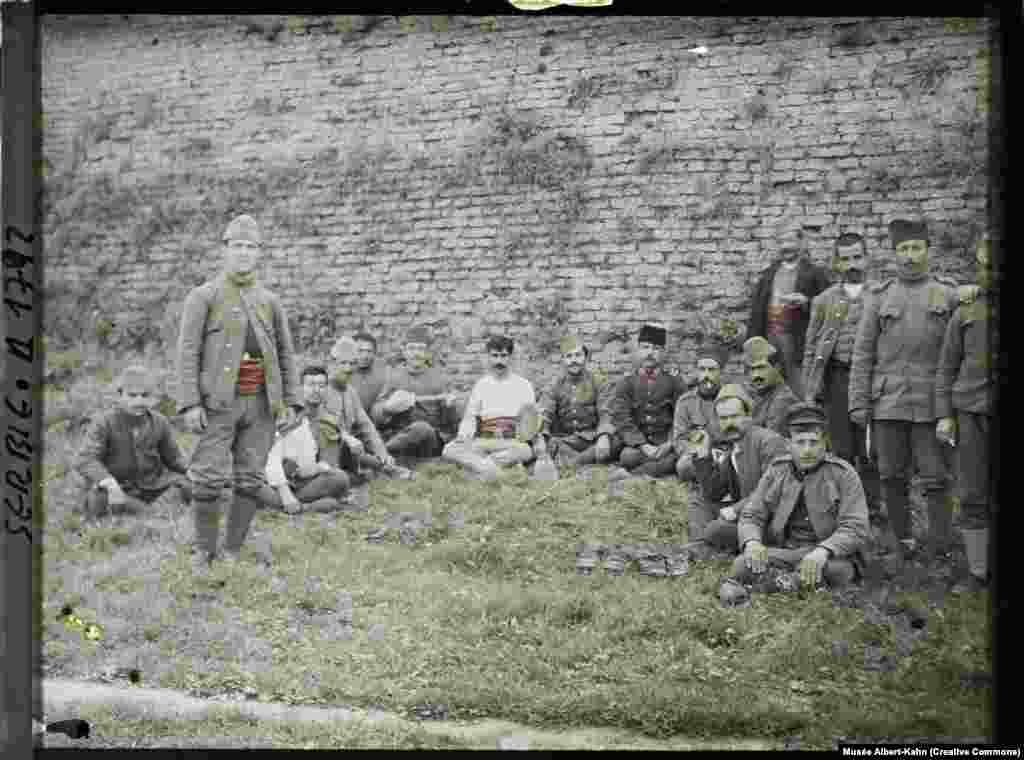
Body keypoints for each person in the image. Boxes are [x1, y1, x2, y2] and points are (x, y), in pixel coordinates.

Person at [176, 214, 302, 569]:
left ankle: (231, 549)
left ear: (258, 253)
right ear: (225, 250)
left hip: (261, 404)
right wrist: (190, 403)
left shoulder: (270, 301)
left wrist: (291, 401)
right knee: (207, 477)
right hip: (217, 404)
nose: (243, 253)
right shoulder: (203, 296)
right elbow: (187, 353)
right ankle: (204, 550)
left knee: (250, 478)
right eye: (237, 246)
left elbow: (285, 354)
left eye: (250, 247)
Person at [849, 218, 959, 560]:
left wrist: (951, 407)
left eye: (916, 248)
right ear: (894, 253)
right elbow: (863, 353)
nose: (910, 256)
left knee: (935, 477)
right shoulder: (879, 296)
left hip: (932, 404)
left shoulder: (948, 293)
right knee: (891, 475)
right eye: (903, 249)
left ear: (928, 251)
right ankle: (903, 542)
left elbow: (960, 353)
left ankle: (940, 546)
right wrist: (858, 403)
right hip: (888, 403)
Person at [719, 403, 871, 606]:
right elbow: (752, 514)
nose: (807, 450)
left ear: (824, 443)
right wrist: (752, 543)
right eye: (800, 442)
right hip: (785, 551)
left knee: (840, 572)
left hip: (827, 554)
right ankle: (794, 583)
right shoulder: (777, 470)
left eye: (813, 442)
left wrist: (823, 551)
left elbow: (855, 527)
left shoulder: (844, 474)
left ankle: (773, 584)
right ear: (789, 444)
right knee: (741, 564)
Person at [802, 232, 882, 525]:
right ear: (836, 262)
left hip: (872, 381)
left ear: (867, 258)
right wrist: (810, 389)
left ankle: (873, 508)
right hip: (836, 379)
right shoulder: (824, 300)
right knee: (841, 447)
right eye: (845, 259)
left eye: (857, 257)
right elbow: (811, 346)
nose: (852, 264)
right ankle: (845, 508)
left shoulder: (880, 295)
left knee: (870, 447)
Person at [935, 234, 997, 592]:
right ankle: (978, 571)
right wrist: (945, 414)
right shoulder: (966, 312)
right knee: (973, 493)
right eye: (984, 265)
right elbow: (946, 367)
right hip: (971, 413)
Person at [74, 365, 190, 518]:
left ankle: (148, 510)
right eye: (132, 395)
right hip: (117, 488)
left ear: (153, 397)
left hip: (151, 486)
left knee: (189, 483)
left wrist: (192, 471)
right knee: (99, 497)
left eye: (145, 395)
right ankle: (152, 512)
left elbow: (174, 459)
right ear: (120, 395)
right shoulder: (104, 422)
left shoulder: (160, 422)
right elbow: (85, 459)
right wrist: (108, 481)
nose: (139, 401)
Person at [688, 383, 789, 554]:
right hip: (746, 512)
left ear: (749, 415)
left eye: (734, 416)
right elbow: (714, 493)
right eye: (723, 418)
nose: (729, 423)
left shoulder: (768, 442)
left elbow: (773, 491)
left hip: (766, 521)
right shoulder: (734, 446)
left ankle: (707, 545)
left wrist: (735, 510)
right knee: (698, 501)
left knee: (716, 529)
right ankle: (701, 546)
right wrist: (703, 455)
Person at [746, 219, 832, 399]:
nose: (785, 246)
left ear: (801, 242)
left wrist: (806, 302)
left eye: (790, 241)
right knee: (771, 393)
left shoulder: (815, 273)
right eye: (781, 242)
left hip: (799, 344)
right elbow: (756, 313)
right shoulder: (769, 274)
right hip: (770, 342)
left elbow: (831, 308)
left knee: (801, 394)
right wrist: (752, 344)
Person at [442, 334, 538, 481]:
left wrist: (524, 434)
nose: (499, 361)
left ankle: (480, 468)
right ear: (488, 357)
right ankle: (491, 469)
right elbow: (470, 418)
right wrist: (463, 436)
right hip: (484, 440)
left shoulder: (524, 385)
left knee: (525, 451)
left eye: (503, 356)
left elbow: (530, 421)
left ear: (511, 357)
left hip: (511, 442)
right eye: (495, 356)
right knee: (449, 450)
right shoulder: (482, 385)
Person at [321, 336, 412, 491]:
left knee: (360, 455)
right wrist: (345, 436)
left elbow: (366, 426)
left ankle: (384, 468)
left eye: (352, 363)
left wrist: (382, 453)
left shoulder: (350, 392)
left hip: (345, 450)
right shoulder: (320, 388)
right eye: (343, 363)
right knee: (350, 465)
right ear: (332, 364)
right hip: (322, 451)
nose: (348, 368)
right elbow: (321, 421)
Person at [262, 366, 355, 515]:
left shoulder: (319, 419)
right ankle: (301, 505)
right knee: (254, 486)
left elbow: (313, 461)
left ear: (326, 389)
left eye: (321, 386)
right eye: (311, 385)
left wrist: (316, 469)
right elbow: (271, 457)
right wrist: (285, 493)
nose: (316, 390)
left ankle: (300, 504)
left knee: (340, 478)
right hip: (275, 480)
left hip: (301, 481)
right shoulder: (288, 414)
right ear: (300, 388)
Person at [372, 324, 461, 464]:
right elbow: (376, 414)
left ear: (427, 352)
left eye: (421, 349)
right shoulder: (394, 377)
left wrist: (450, 407)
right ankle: (384, 454)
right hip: (400, 438)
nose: (416, 353)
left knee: (422, 428)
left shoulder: (439, 379)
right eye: (411, 348)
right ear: (404, 351)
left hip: (430, 441)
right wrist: (387, 408)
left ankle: (379, 454)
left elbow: (451, 425)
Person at [611, 322, 687, 478]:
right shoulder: (627, 382)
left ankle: (632, 476)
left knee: (674, 458)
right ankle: (654, 467)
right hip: (640, 443)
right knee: (627, 457)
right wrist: (643, 445)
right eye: (645, 347)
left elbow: (683, 416)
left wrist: (669, 443)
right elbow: (621, 418)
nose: (650, 353)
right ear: (638, 350)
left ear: (663, 352)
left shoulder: (675, 382)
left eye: (656, 348)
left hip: (666, 442)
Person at [533, 335, 620, 468]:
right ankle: (585, 462)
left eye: (578, 355)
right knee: (549, 443)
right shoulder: (555, 384)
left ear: (585, 357)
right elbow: (545, 412)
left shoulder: (599, 381)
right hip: (566, 440)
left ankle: (571, 463)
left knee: (617, 440)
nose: (574, 360)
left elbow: (606, 412)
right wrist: (541, 437)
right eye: (569, 356)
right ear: (563, 360)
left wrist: (603, 436)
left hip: (593, 438)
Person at [743, 336, 799, 436]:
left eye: (761, 368)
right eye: (752, 369)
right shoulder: (763, 394)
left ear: (777, 368)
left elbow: (771, 441)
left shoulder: (782, 400)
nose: (756, 375)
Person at [350, 331, 390, 414]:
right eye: (360, 351)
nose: (364, 356)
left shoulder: (383, 375)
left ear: (374, 353)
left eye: (369, 351)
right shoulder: (343, 375)